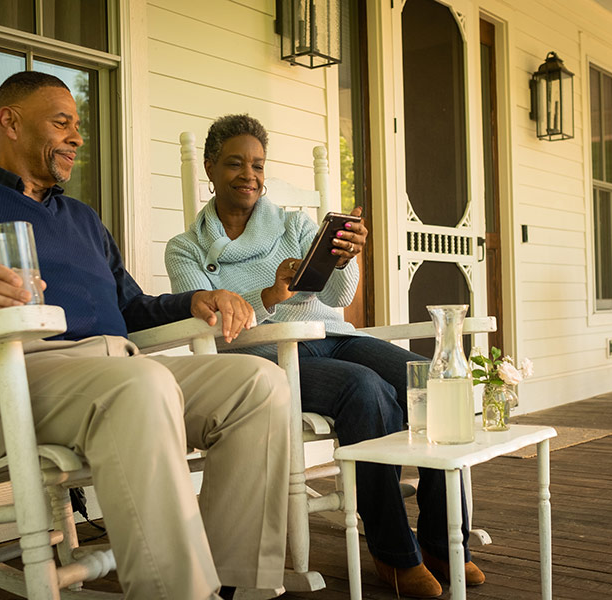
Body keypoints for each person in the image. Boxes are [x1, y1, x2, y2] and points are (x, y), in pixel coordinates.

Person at [0, 73, 290, 600]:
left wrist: (193, 300)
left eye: (78, 126)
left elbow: (131, 308)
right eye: (61, 122)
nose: (76, 137)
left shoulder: (82, 218)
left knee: (258, 383)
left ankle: (235, 585)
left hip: (114, 369)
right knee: (141, 385)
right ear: (10, 121)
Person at [165, 114, 486, 598]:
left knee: (427, 381)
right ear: (210, 167)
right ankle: (394, 553)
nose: (249, 175)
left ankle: (442, 541)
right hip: (267, 355)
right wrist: (268, 296)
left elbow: (336, 297)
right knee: (365, 390)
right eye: (235, 163)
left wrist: (345, 259)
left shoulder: (294, 224)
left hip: (331, 334)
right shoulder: (185, 249)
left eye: (257, 164)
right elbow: (212, 327)